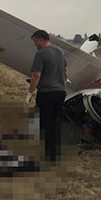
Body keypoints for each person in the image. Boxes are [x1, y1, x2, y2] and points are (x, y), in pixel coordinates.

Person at [26, 30, 67, 162]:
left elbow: (36, 75)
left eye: (35, 42)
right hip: (60, 92)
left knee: (45, 124)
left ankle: (48, 155)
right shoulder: (60, 51)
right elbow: (66, 72)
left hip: (46, 93)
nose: (35, 45)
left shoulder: (40, 54)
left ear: (40, 39)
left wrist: (30, 92)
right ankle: (56, 152)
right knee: (56, 122)